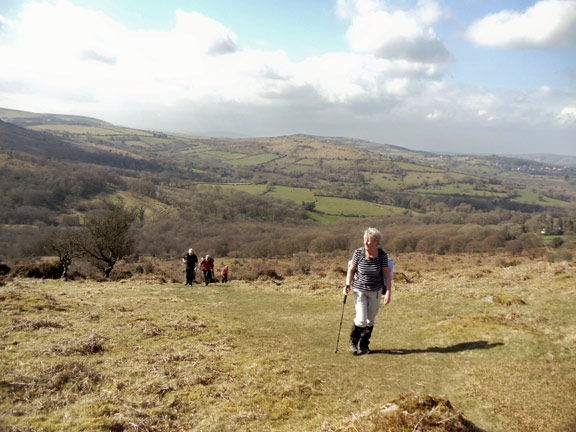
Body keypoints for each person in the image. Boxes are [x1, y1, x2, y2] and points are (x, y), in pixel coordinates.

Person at [343, 227, 391, 355]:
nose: (366, 242)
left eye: (369, 240)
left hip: (375, 291)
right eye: (365, 239)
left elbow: (387, 274)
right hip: (359, 290)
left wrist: (388, 292)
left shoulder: (382, 255)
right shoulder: (358, 253)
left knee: (370, 320)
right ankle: (353, 343)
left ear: (376, 243)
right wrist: (347, 284)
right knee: (361, 320)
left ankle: (364, 345)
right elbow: (351, 269)